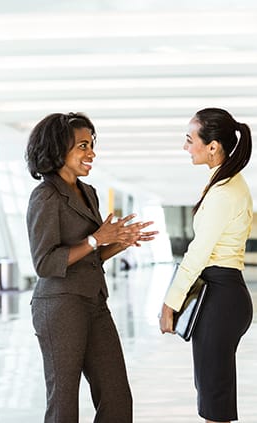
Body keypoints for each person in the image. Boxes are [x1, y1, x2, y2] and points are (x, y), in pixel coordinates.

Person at [25, 112, 158, 422]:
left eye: (92, 144)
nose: (91, 153)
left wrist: (120, 241)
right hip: (60, 305)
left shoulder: (89, 193)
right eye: (83, 145)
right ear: (59, 149)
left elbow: (91, 256)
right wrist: (97, 240)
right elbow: (44, 263)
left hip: (94, 301)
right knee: (64, 402)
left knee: (116, 396)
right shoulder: (45, 196)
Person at [159, 107, 254, 423]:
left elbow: (197, 253)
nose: (185, 147)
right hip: (225, 294)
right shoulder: (226, 184)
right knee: (214, 394)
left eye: (189, 140)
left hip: (220, 297)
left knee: (214, 400)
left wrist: (170, 304)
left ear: (213, 146)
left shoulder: (224, 192)